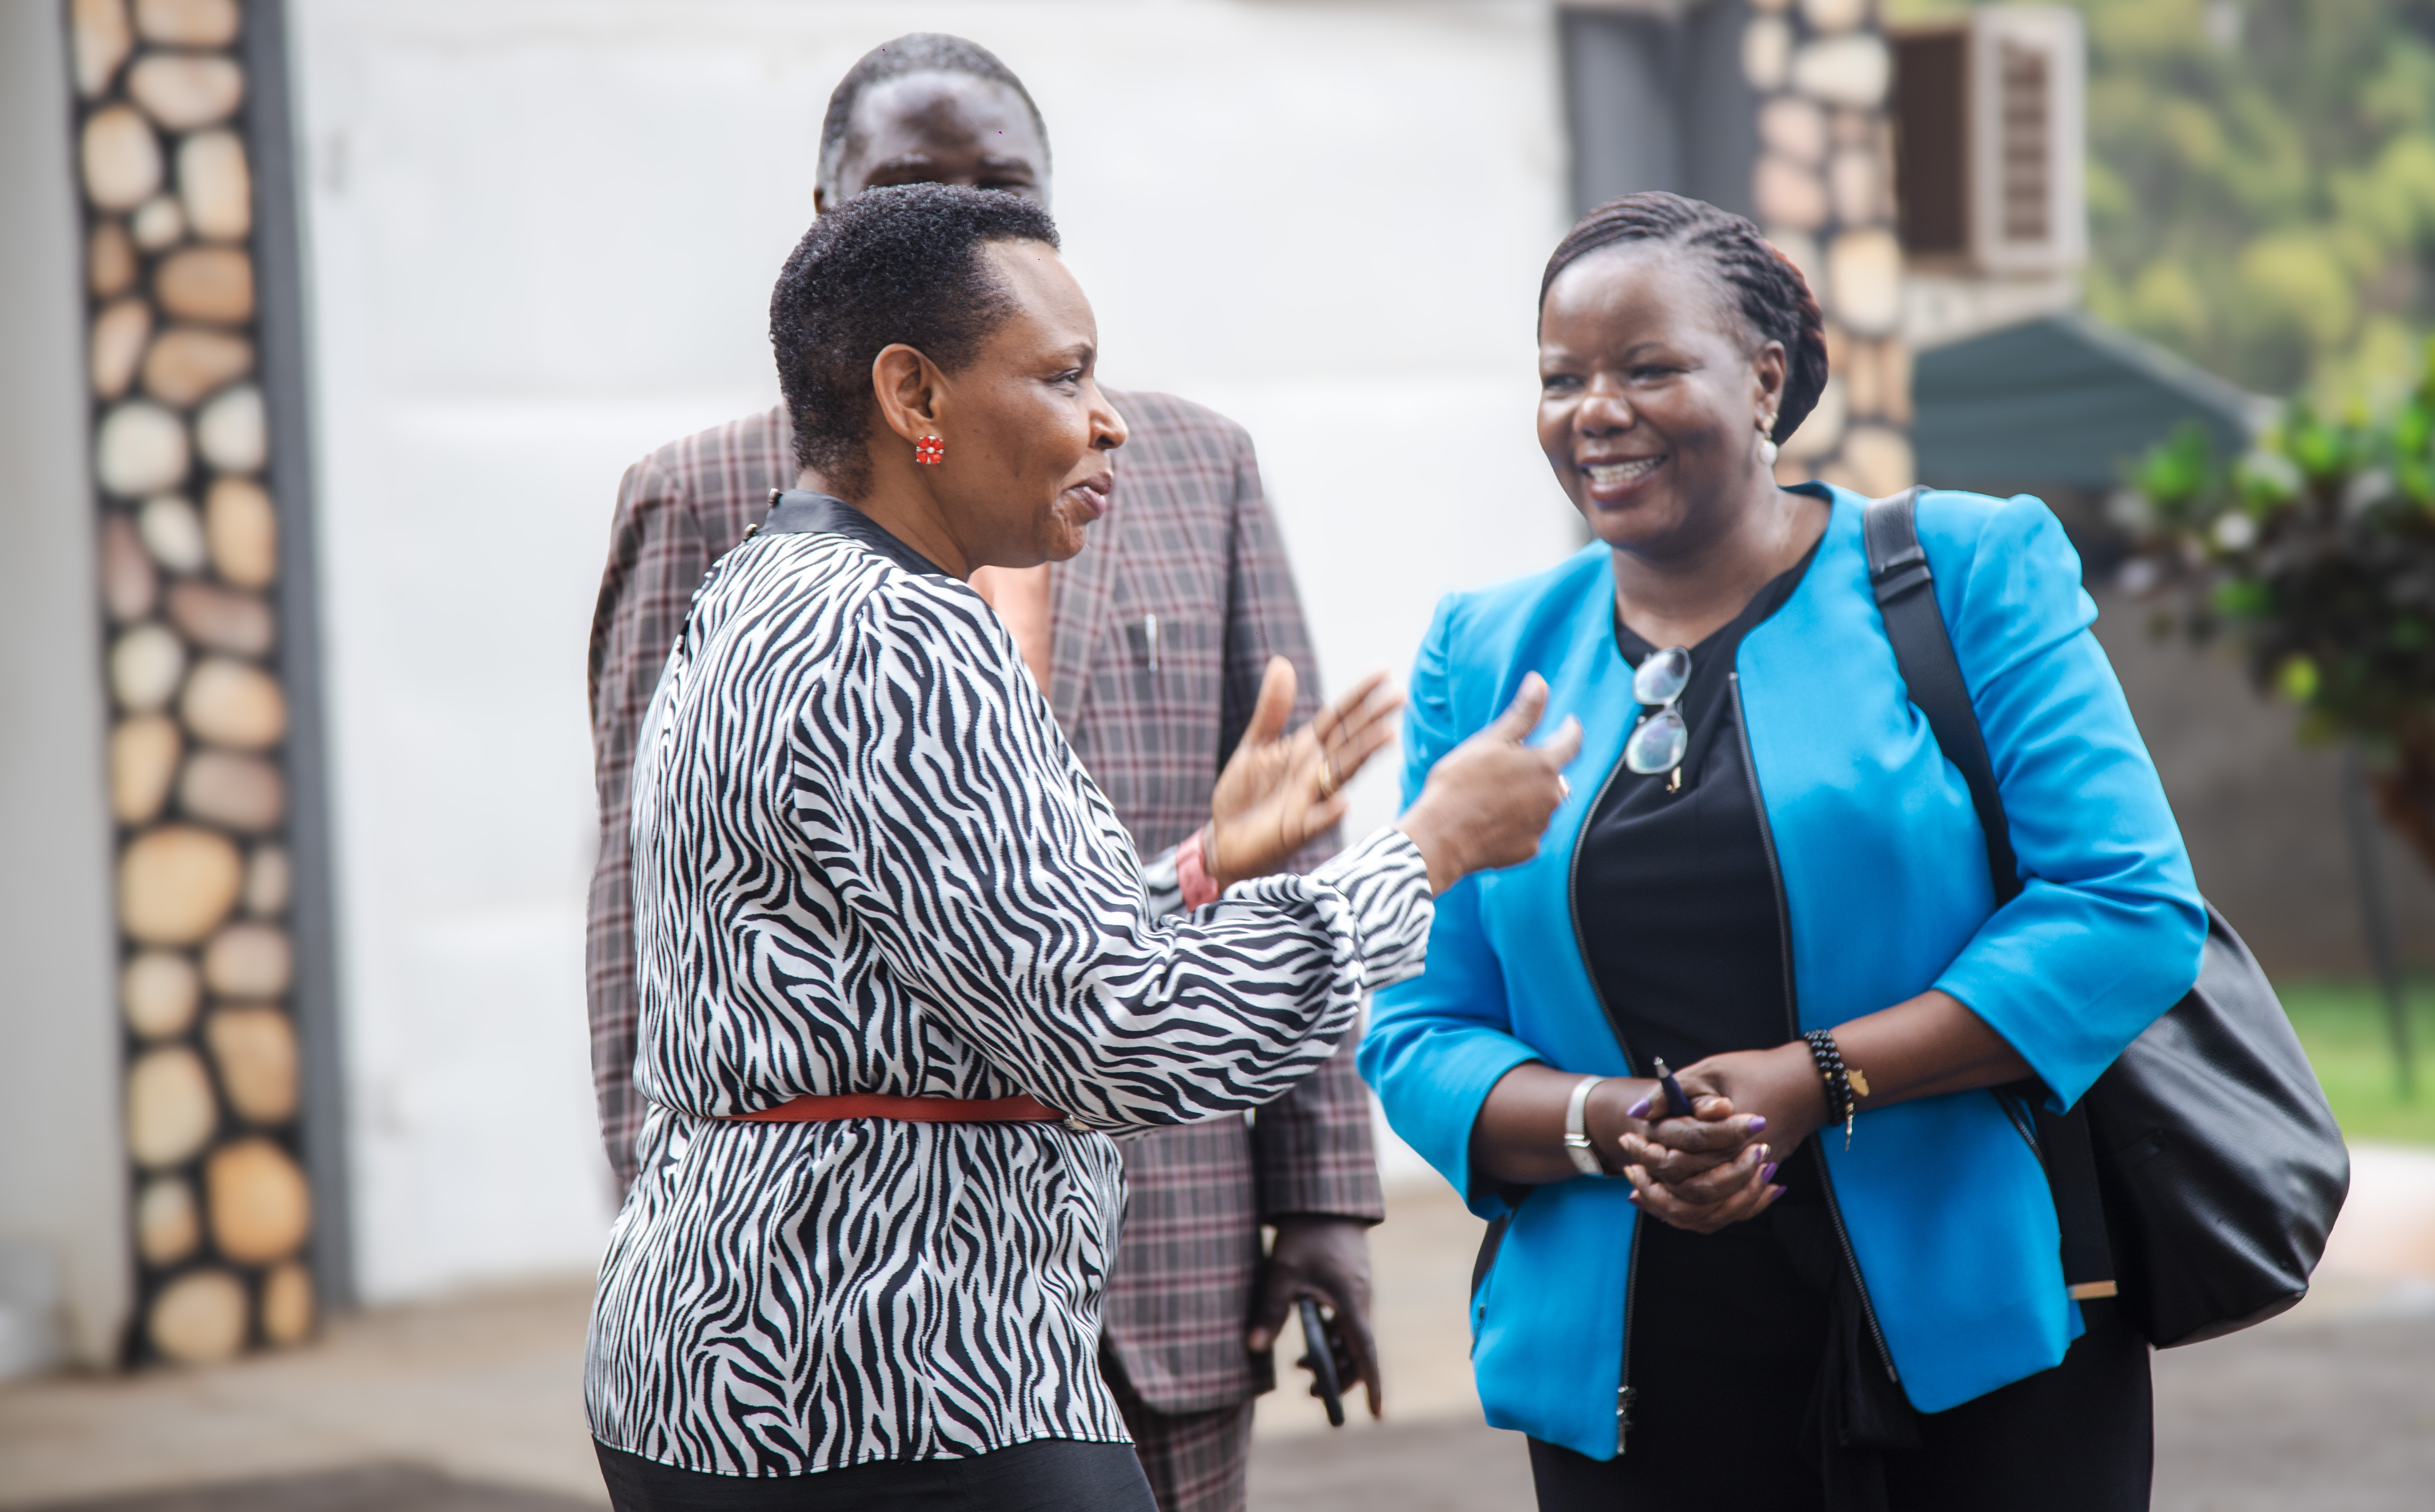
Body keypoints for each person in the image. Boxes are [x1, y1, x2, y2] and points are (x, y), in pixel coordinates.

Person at [585, 183, 1577, 1509]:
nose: (1109, 419)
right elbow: (1118, 1039)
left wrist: (1204, 873)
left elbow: (938, 964)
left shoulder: (765, 588)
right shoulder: (903, 637)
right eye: (1063, 375)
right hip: (898, 1386)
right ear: (914, 398)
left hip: (721, 1381)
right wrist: (1426, 853)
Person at [1358, 192, 2207, 1511]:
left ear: (1763, 380)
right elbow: (1421, 1025)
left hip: (1974, 1333)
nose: (1596, 410)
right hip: (1634, 1369)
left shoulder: (1962, 570)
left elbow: (2125, 907)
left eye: (1648, 367)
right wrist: (1621, 1125)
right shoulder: (1483, 652)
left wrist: (1814, 1081)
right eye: (1561, 378)